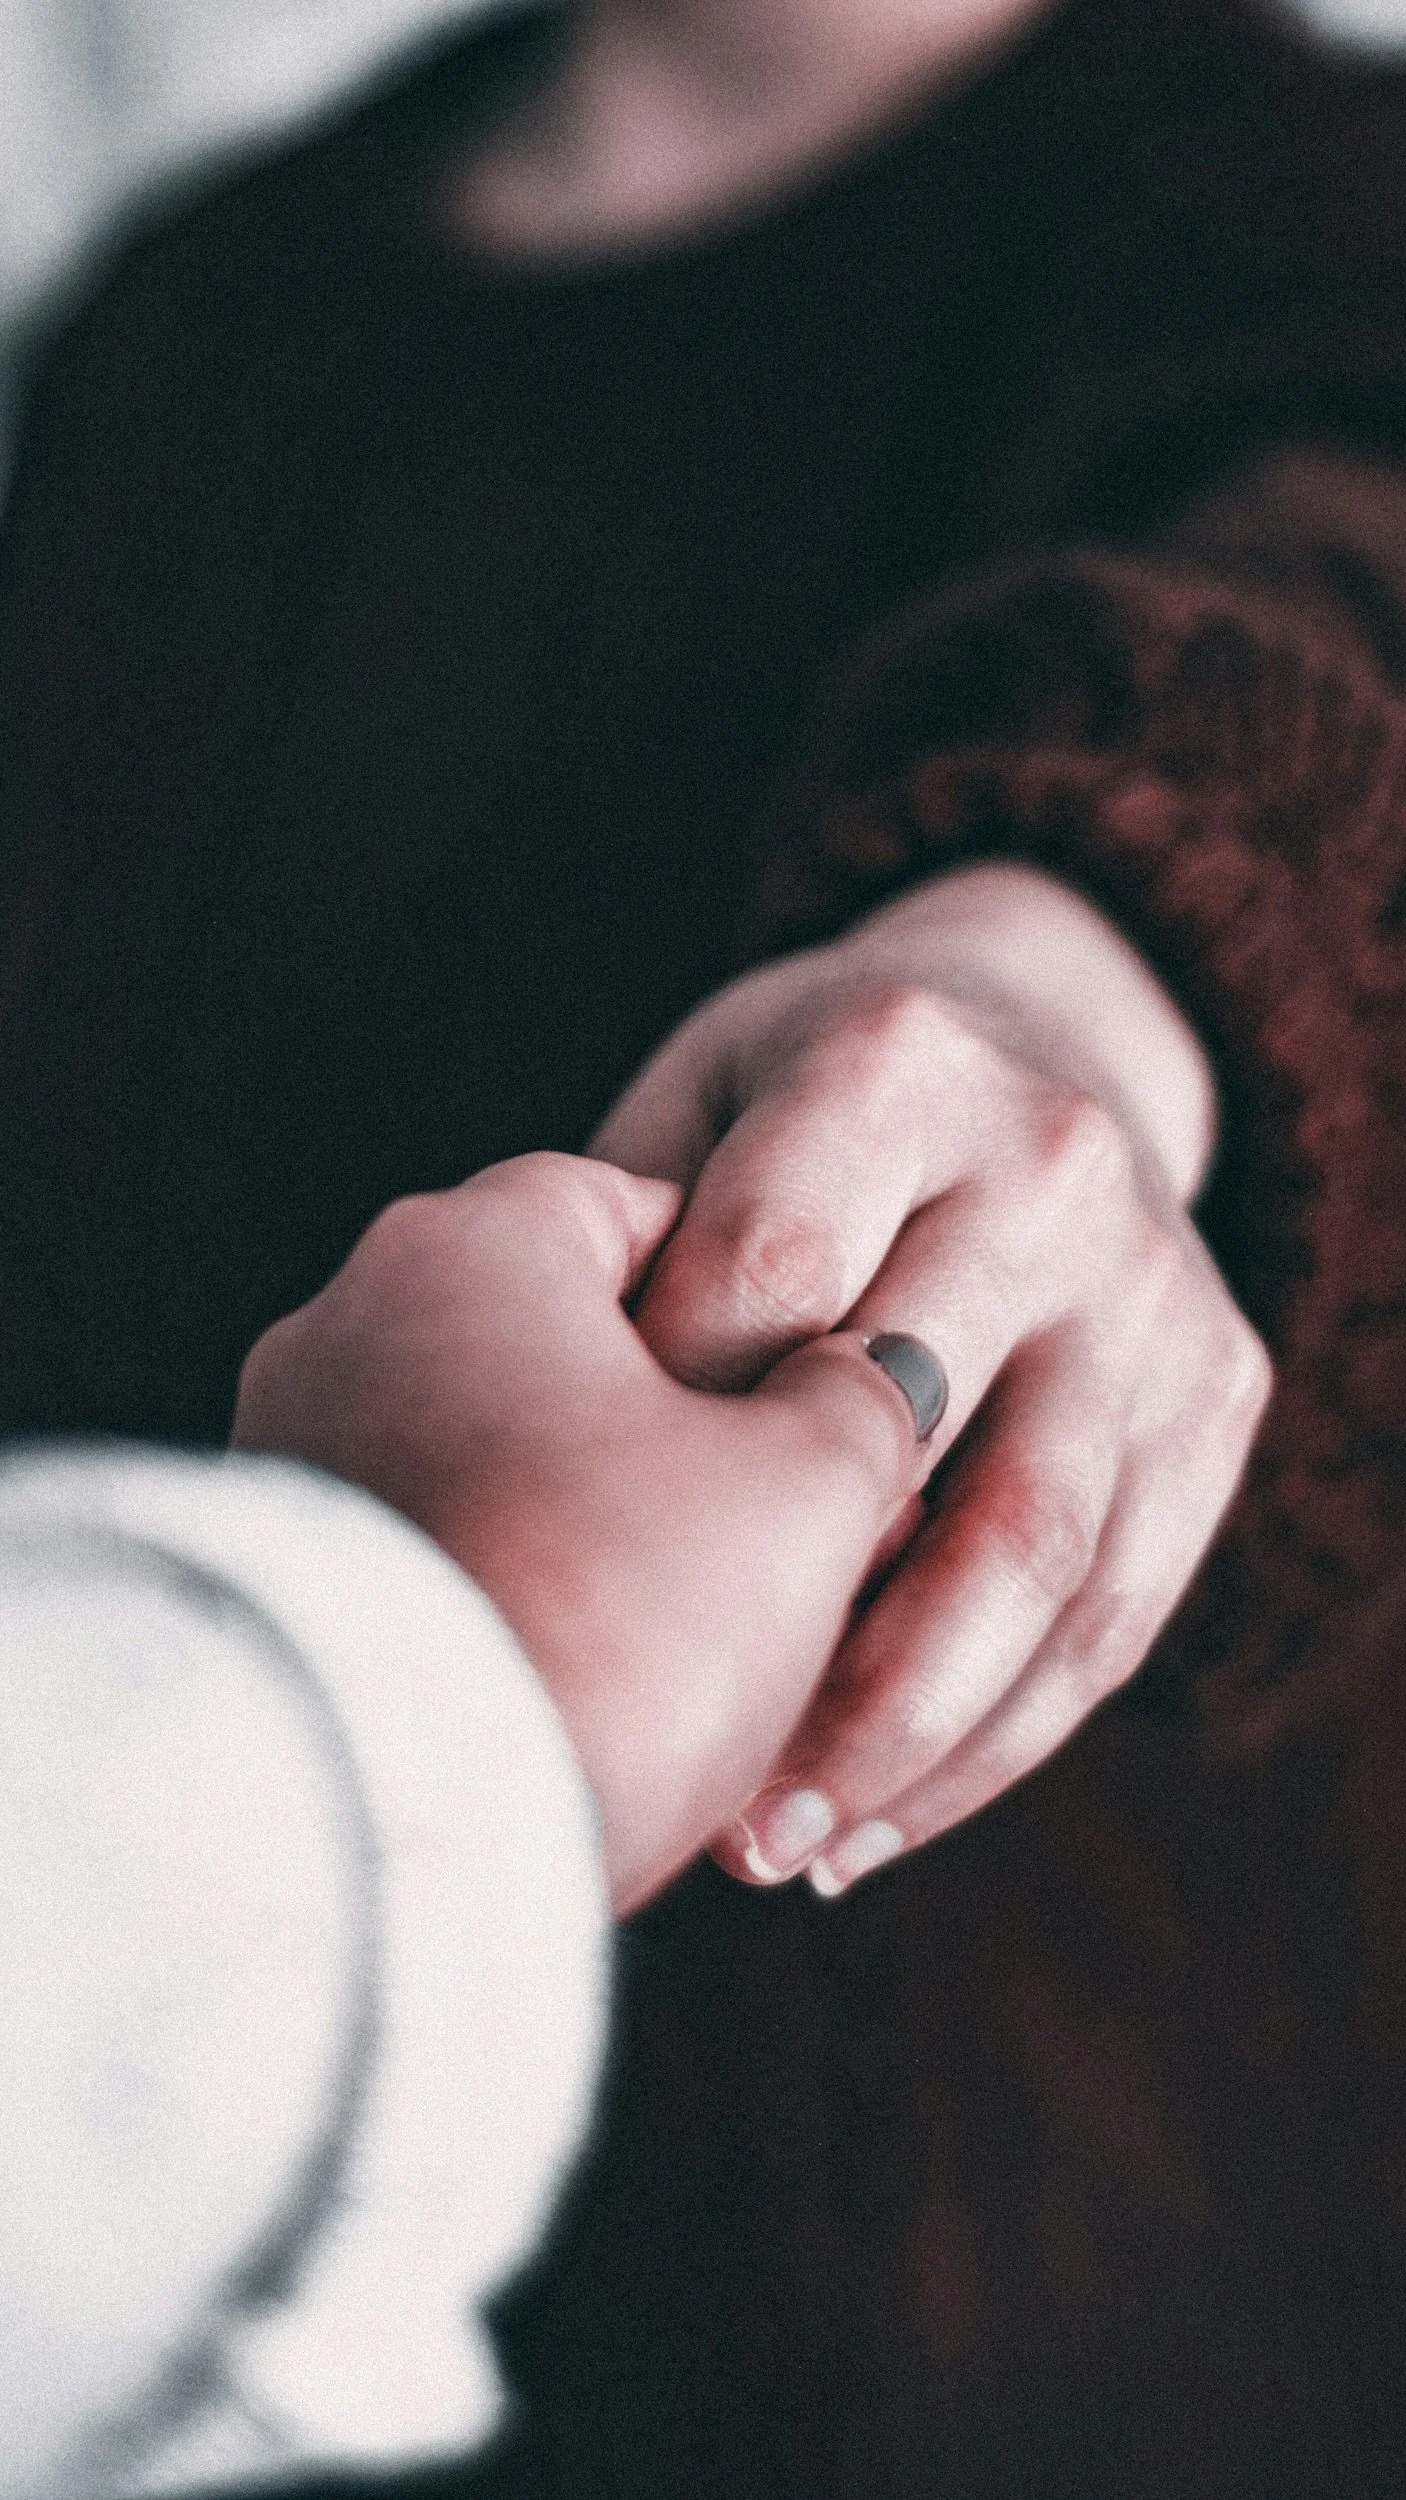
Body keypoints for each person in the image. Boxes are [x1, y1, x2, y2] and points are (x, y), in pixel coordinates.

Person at [2, 0, 1406, 2494]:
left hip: (1021, 2347)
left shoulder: (1293, 194)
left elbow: (1342, 606)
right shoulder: (192, 318)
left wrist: (1054, 980)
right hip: (207, 2263)